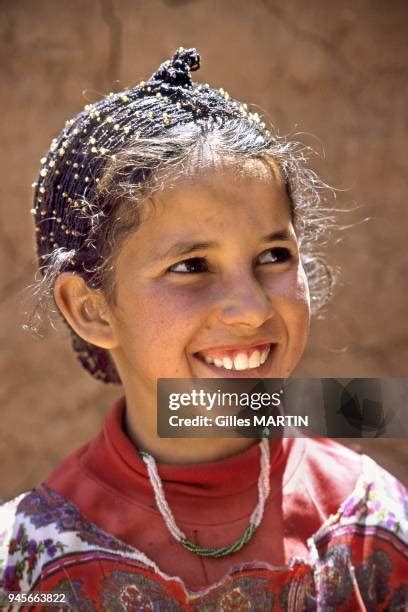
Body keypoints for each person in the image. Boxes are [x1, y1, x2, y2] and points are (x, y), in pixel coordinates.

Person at [0, 48, 406, 611]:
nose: (249, 308)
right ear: (91, 309)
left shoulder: (370, 524)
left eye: (273, 255)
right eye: (191, 266)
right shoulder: (27, 564)